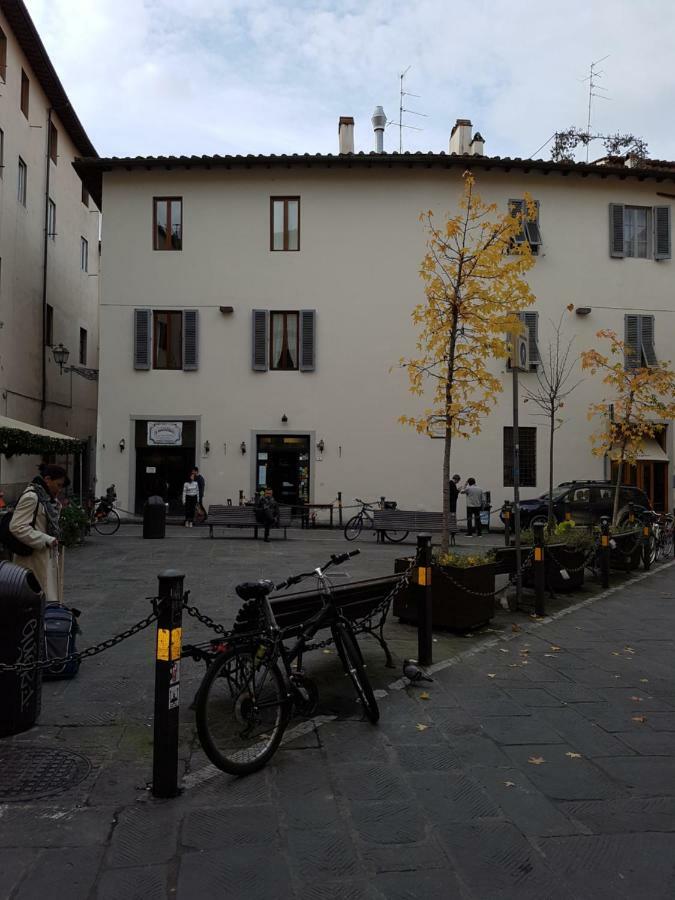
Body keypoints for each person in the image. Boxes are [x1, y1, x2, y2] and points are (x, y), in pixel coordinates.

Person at [9, 464, 67, 602]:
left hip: (45, 558)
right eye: (58, 485)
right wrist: (46, 539)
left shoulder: (47, 500)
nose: (59, 490)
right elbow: (17, 526)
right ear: (47, 479)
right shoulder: (32, 497)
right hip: (33, 558)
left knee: (46, 601)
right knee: (35, 600)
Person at [448, 474, 461, 545]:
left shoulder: (450, 483)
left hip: (451, 503)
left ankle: (453, 528)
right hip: (452, 504)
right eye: (458, 481)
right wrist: (458, 490)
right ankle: (453, 528)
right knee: (452, 515)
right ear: (456, 479)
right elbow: (454, 494)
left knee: (452, 515)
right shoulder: (452, 484)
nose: (458, 482)